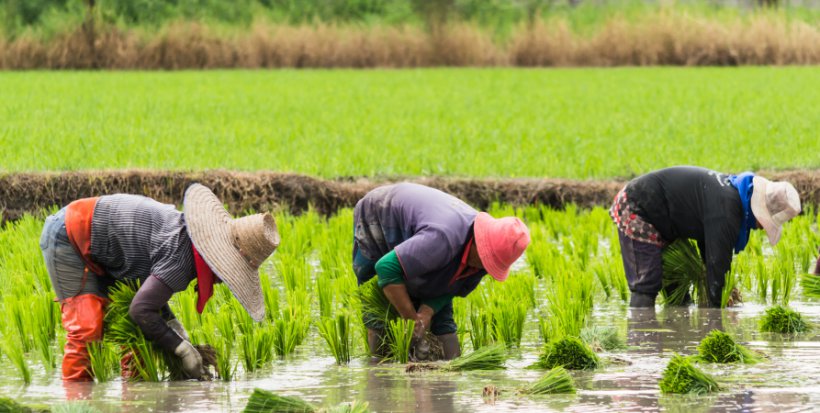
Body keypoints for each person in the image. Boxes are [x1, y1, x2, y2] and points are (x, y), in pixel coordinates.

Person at [40, 183, 280, 381]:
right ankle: (75, 402)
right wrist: (183, 349)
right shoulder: (183, 257)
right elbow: (141, 309)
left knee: (138, 342)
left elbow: (149, 297)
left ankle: (135, 401)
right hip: (70, 234)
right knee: (87, 329)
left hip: (112, 252)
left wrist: (176, 328)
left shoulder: (187, 244)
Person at [352, 183, 530, 360]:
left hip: (428, 234)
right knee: (377, 308)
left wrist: (426, 313)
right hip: (380, 212)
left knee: (441, 319)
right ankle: (377, 368)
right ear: (478, 242)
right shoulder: (441, 239)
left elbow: (450, 289)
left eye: (492, 264)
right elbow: (386, 268)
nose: (484, 268)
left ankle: (449, 372)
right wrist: (411, 319)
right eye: (486, 260)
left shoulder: (481, 262)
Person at [610, 166, 801, 308]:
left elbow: (708, 250)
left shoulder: (733, 193)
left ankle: (673, 337)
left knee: (680, 295)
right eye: (766, 222)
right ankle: (641, 348)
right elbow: (718, 267)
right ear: (759, 210)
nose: (761, 228)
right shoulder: (727, 211)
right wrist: (718, 314)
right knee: (646, 285)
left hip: (665, 219)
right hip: (638, 207)